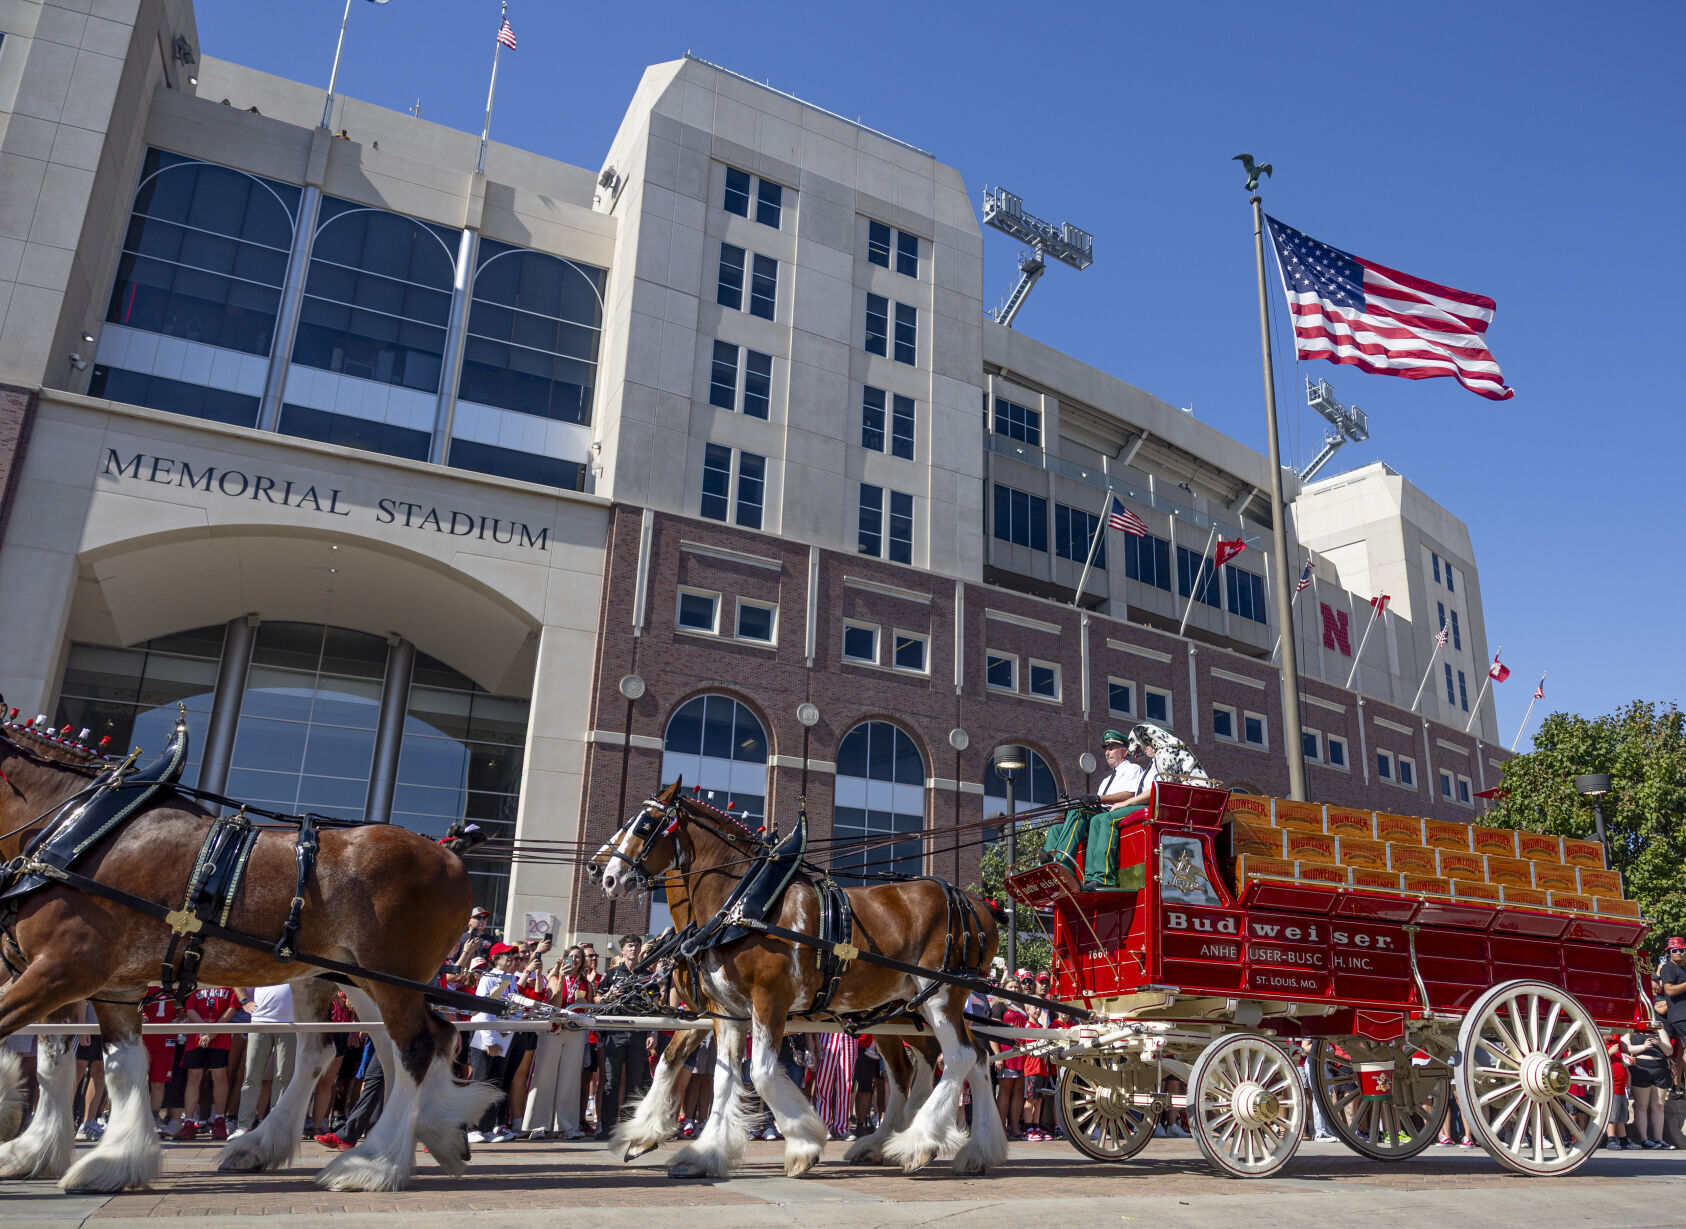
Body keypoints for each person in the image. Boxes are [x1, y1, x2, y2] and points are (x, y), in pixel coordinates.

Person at [1042, 729, 1156, 891]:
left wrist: (1098, 798)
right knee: (1057, 827)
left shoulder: (1133, 769)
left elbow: (1129, 795)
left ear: (1124, 751)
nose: (1107, 752)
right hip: (1097, 814)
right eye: (1106, 749)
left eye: (1111, 748)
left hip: (1111, 813)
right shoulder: (1105, 780)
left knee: (1079, 811)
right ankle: (1047, 866)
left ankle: (1062, 863)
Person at [593, 934, 651, 1138]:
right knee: (610, 1081)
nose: (633, 949)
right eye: (629, 946)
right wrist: (609, 996)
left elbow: (655, 1004)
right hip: (615, 1032)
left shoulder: (646, 973)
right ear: (623, 950)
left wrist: (652, 1031)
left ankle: (628, 1128)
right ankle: (607, 1127)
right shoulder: (612, 974)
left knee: (635, 1083)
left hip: (638, 1033)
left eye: (636, 945)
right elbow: (597, 998)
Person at [466, 943, 521, 1143]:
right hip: (485, 1037)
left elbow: (514, 1006)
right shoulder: (488, 978)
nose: (510, 958)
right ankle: (471, 1127)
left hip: (504, 1037)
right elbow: (483, 1010)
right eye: (506, 955)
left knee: (496, 1084)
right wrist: (490, 1041)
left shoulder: (511, 979)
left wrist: (510, 1029)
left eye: (511, 955)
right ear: (496, 958)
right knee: (480, 1081)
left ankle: (487, 1127)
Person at [230, 983, 294, 1138]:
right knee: (251, 1074)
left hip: (289, 1024)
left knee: (283, 1077)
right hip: (260, 1022)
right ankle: (244, 1126)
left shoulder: (296, 962)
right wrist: (245, 1001)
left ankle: (276, 1127)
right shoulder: (262, 962)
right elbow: (238, 981)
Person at [176, 984, 238, 1140]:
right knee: (193, 1077)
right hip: (196, 1035)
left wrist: (212, 1033)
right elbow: (190, 1009)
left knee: (220, 1076)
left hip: (220, 1035)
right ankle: (189, 1122)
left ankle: (219, 1120)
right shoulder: (197, 982)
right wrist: (204, 1030)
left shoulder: (228, 983)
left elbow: (230, 1009)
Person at [1627, 1028, 1674, 1149]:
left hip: (1659, 1067)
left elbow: (1669, 1050)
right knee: (1641, 1105)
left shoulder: (1659, 1029)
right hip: (1641, 1067)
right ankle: (1644, 1139)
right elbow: (1626, 1047)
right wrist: (1644, 1046)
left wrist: (1659, 1043)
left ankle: (1659, 1139)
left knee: (1659, 1105)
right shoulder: (1631, 1029)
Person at [1657, 937, 1686, 1087]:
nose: (1679, 953)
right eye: (1675, 950)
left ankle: (1679, 1086)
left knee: (1680, 1054)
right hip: (1681, 1016)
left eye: (1682, 950)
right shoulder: (1669, 967)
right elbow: (1669, 990)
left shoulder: (1681, 970)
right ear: (1669, 953)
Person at [1605, 1031, 1634, 1149]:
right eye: (1607, 1032)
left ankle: (1623, 1139)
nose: (1611, 1033)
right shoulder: (1602, 1044)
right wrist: (1609, 1052)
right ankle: (1611, 1139)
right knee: (1612, 1115)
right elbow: (1596, 1060)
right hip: (1611, 1085)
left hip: (1621, 1086)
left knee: (1621, 1115)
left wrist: (1626, 1062)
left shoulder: (1616, 1042)